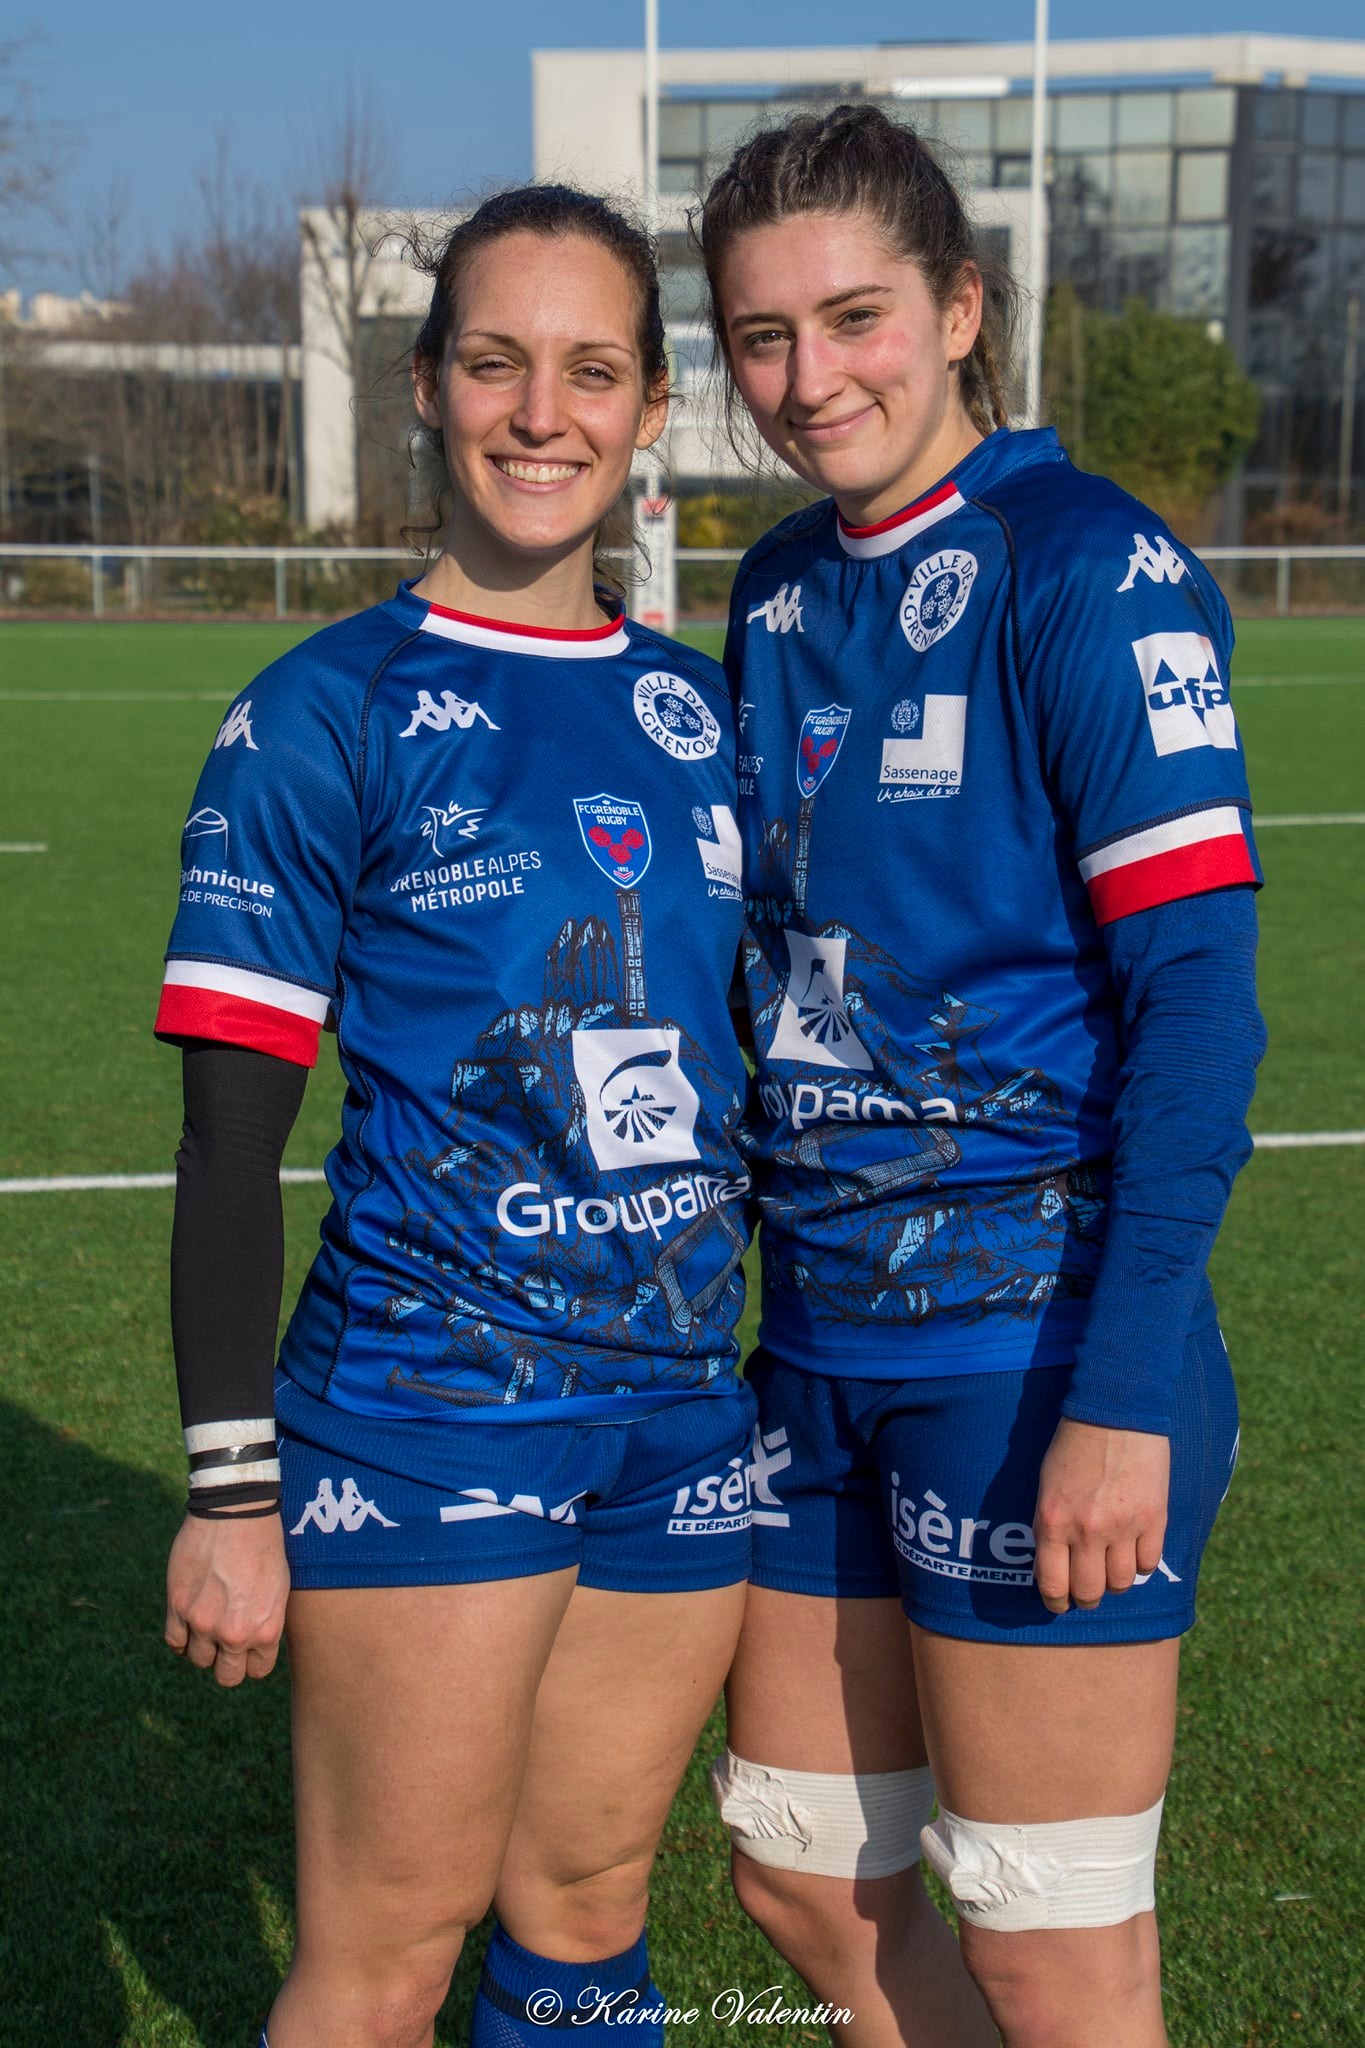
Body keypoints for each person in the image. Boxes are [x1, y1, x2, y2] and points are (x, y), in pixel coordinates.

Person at [157, 184, 758, 2048]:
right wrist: (229, 1489)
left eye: (590, 372)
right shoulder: (317, 715)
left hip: (680, 1414)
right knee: (384, 1962)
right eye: (494, 364)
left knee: (584, 1925)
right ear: (425, 386)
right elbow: (226, 1151)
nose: (538, 413)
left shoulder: (700, 706)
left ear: (652, 409)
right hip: (427, 1419)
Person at [697, 105, 1264, 2048]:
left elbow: (1197, 996)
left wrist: (1119, 1397)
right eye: (758, 337)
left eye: (850, 318)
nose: (804, 378)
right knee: (797, 1863)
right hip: (817, 1353)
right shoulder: (773, 588)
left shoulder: (1084, 567)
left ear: (956, 308)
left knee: (1045, 1940)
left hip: (1028, 1354)